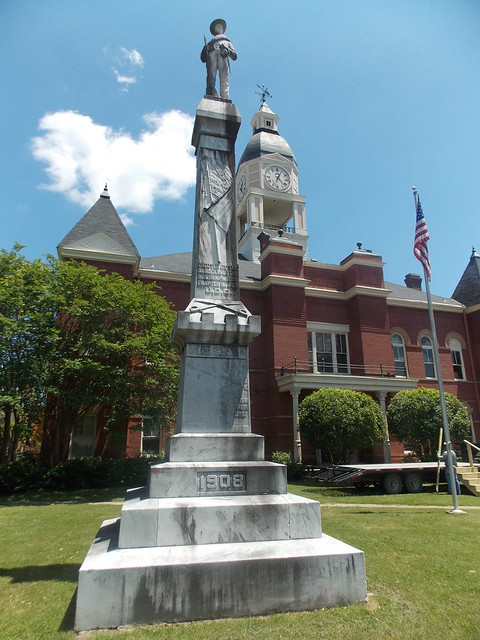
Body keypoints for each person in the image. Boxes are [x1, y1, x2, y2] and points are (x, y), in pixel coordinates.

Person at [201, 19, 237, 100]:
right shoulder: (210, 44)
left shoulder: (227, 42)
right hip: (211, 58)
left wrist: (227, 50)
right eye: (217, 26)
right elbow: (203, 58)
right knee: (211, 77)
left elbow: (234, 56)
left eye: (220, 26)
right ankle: (211, 93)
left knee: (224, 78)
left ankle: (225, 97)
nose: (219, 27)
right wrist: (205, 49)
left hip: (223, 57)